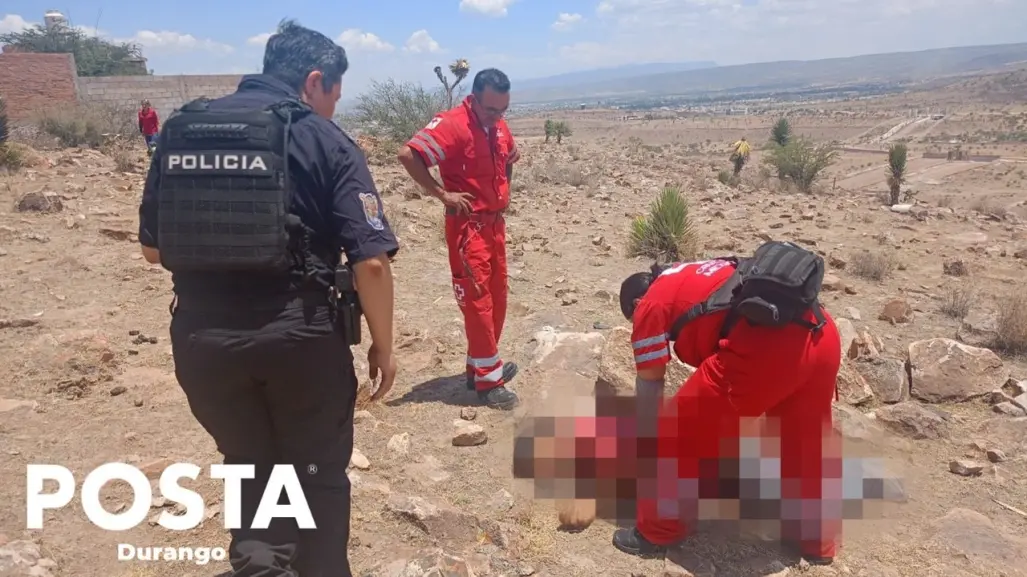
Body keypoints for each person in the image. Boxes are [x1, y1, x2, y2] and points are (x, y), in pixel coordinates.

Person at [136, 19, 398, 577]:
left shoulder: (185, 129)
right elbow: (371, 262)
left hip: (203, 342)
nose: (332, 106)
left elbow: (153, 250)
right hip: (299, 338)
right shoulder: (325, 139)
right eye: (334, 94)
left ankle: (260, 563)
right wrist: (384, 346)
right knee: (316, 475)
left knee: (250, 468)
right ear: (313, 81)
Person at [611, 241, 842, 565]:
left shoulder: (649, 305)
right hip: (821, 334)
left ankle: (656, 531)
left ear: (637, 301)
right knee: (804, 444)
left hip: (768, 349)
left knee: (677, 431)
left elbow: (650, 386)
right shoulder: (689, 272)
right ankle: (815, 539)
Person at [396, 68, 520, 410]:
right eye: (491, 109)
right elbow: (409, 155)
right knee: (477, 302)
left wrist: (504, 189)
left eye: (503, 110)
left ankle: (480, 367)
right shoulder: (452, 124)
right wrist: (441, 194)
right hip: (468, 228)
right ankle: (489, 384)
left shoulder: (497, 125)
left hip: (494, 226)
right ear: (474, 98)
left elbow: (510, 156)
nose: (498, 117)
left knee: (497, 298)